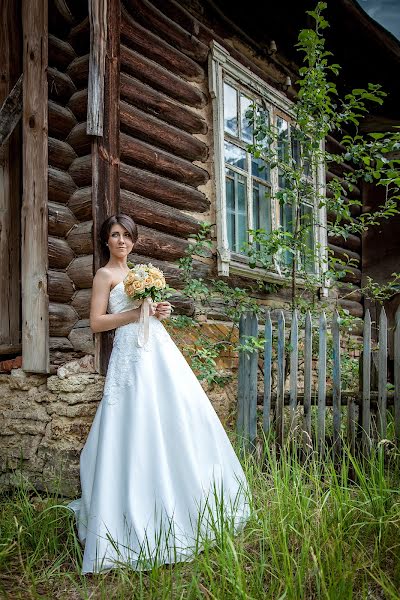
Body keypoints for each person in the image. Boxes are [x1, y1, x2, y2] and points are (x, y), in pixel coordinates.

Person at [68, 214, 252, 573]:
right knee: (133, 420)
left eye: (127, 236)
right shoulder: (105, 276)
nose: (121, 241)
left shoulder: (142, 275)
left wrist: (159, 312)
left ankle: (188, 499)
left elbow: (150, 315)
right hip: (129, 356)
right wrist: (136, 313)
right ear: (106, 241)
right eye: (115, 235)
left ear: (134, 241)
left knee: (176, 413)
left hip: (159, 351)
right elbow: (97, 323)